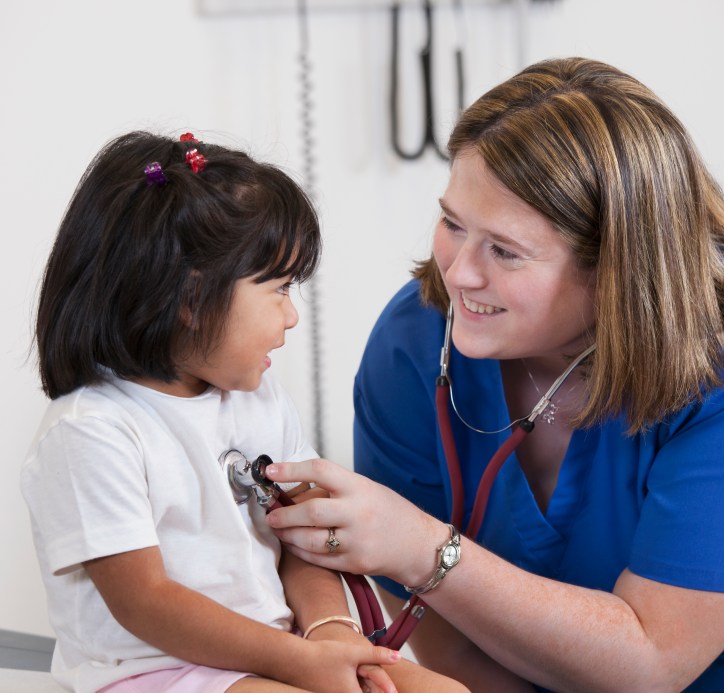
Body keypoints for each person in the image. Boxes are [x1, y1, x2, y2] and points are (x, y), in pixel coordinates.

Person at [263, 57, 724, 692]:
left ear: (617, 267)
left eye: (505, 251)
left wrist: (424, 547)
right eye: (454, 223)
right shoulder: (419, 338)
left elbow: (652, 662)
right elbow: (433, 617)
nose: (459, 273)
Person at [20, 131, 468, 693]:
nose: (291, 317)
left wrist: (331, 633)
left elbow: (302, 538)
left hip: (276, 654)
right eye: (279, 289)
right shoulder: (92, 433)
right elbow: (146, 604)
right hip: (156, 672)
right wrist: (297, 661)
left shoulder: (258, 399)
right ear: (190, 300)